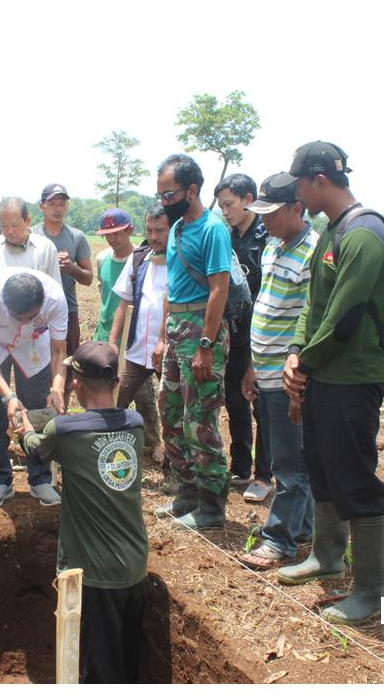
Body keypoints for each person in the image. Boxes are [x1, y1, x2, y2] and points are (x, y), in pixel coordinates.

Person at [277, 141, 384, 624]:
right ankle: (327, 557)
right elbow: (315, 305)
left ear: (319, 180)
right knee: (321, 467)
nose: (298, 193)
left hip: (352, 377)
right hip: (323, 372)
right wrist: (294, 352)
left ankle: (369, 590)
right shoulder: (332, 232)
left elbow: (344, 319)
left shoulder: (365, 234)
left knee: (355, 478)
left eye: (299, 184)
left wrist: (303, 362)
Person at [21, 341, 147, 683]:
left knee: (97, 671)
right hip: (135, 564)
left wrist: (22, 432)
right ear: (117, 383)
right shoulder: (136, 425)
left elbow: (37, 449)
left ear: (75, 383)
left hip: (94, 574)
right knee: (127, 664)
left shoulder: (65, 431)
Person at [238, 175, 318, 569]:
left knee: (290, 464)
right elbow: (265, 308)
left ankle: (279, 540)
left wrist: (295, 365)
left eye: (272, 213)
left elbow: (311, 318)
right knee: (285, 458)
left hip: (289, 379)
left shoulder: (314, 253)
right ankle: (302, 527)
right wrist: (252, 366)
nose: (264, 222)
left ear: (297, 208)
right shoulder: (271, 248)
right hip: (265, 371)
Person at [151, 154, 233, 530]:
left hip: (202, 329)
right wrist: (162, 337)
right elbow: (172, 287)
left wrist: (205, 343)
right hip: (177, 329)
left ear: (192, 190)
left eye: (169, 194)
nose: (164, 201)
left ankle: (212, 506)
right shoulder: (179, 229)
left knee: (199, 420)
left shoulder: (212, 228)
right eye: (161, 195)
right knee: (170, 414)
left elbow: (219, 289)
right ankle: (186, 495)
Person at [0, 267, 68, 508]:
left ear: (41, 303)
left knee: (38, 413)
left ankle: (41, 480)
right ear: (5, 304)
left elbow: (59, 351)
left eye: (30, 316)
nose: (23, 322)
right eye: (18, 317)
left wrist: (57, 388)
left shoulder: (55, 298)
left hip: (34, 345)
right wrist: (9, 397)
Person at [214, 173, 270, 501]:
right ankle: (240, 468)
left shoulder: (266, 238)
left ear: (249, 199)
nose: (225, 211)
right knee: (235, 399)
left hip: (262, 335)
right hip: (234, 334)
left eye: (229, 204)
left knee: (261, 407)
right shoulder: (228, 238)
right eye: (221, 206)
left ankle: (264, 474)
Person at [107, 203, 168, 462]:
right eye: (150, 230)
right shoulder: (139, 258)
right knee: (115, 397)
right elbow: (123, 303)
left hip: (168, 350)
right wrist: (112, 343)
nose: (154, 236)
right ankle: (106, 447)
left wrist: (164, 341)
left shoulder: (181, 260)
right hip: (135, 349)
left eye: (160, 231)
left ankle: (166, 453)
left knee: (171, 406)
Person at [32, 183, 93, 366]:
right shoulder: (31, 236)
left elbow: (88, 278)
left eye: (62, 203)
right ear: (41, 206)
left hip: (67, 309)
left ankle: (63, 395)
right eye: (52, 203)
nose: (58, 209)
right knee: (36, 365)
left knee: (65, 364)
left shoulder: (77, 237)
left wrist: (71, 268)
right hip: (35, 310)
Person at [0, 196, 60, 283]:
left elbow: (55, 290)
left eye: (15, 225)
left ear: (28, 221)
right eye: (4, 225)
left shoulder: (46, 248)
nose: (10, 231)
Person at [92, 208, 134, 342]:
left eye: (116, 233)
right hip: (104, 331)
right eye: (107, 234)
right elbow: (104, 294)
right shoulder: (102, 258)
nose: (111, 239)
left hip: (130, 334)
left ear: (129, 230)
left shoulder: (140, 259)